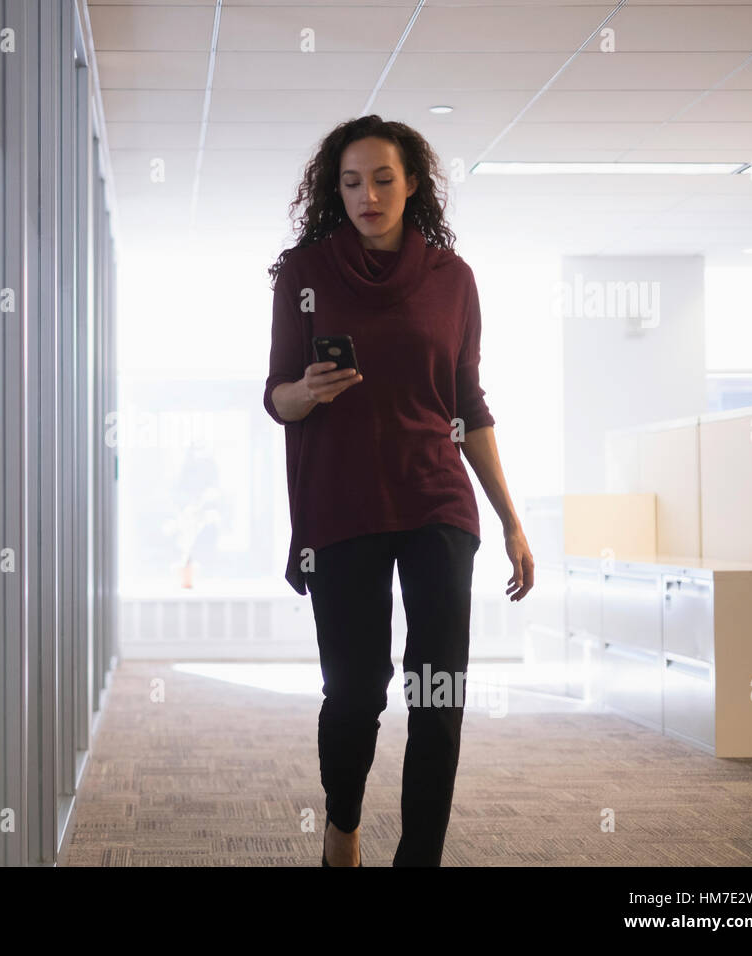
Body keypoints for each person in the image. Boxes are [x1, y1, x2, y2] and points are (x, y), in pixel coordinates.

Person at [264, 116, 534, 867]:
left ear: (412, 182)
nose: (368, 195)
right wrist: (308, 392)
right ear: (334, 189)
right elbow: (276, 398)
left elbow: (467, 406)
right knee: (356, 691)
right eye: (351, 182)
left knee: (438, 689)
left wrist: (511, 520)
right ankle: (343, 822)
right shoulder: (305, 275)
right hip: (342, 506)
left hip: (436, 505)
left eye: (383, 179)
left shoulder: (453, 280)